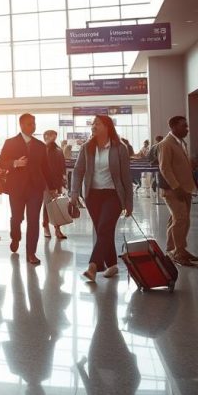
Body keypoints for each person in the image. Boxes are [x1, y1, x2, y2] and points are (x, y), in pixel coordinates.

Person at [70, 116, 132, 281]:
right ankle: (112, 265)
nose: (94, 126)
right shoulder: (87, 147)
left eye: (97, 123)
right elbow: (78, 171)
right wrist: (74, 193)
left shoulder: (120, 148)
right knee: (103, 230)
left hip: (113, 195)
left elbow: (126, 177)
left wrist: (129, 202)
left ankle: (93, 265)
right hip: (93, 195)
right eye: (93, 124)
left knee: (104, 227)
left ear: (107, 126)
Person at [0, 114, 62, 266]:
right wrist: (14, 163)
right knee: (17, 218)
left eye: (34, 124)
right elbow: (1, 163)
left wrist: (52, 187)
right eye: (29, 124)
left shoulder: (40, 146)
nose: (32, 126)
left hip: (35, 188)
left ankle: (31, 253)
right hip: (16, 188)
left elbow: (45, 168)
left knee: (33, 220)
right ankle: (15, 237)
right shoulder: (10, 143)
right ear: (21, 125)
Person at [157, 116, 197, 267]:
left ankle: (173, 249)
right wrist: (176, 187)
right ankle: (178, 253)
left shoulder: (180, 142)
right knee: (181, 219)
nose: (186, 129)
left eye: (186, 126)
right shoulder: (166, 144)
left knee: (179, 219)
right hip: (174, 190)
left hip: (185, 188)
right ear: (173, 127)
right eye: (183, 126)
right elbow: (164, 168)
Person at [41, 130, 68, 240]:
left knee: (58, 205)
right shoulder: (42, 149)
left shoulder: (58, 150)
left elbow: (62, 166)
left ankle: (57, 229)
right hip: (46, 183)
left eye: (55, 136)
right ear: (46, 136)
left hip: (57, 182)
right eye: (51, 136)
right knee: (48, 205)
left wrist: (64, 179)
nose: (53, 138)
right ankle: (45, 225)